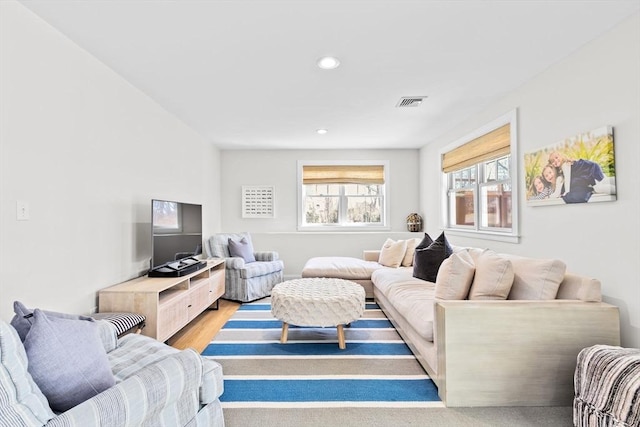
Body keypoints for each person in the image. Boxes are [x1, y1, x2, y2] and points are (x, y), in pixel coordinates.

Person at [548, 151, 615, 202]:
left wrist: (567, 192)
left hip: (590, 170)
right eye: (553, 161)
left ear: (561, 156)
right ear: (552, 165)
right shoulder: (564, 167)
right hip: (591, 168)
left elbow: (567, 179)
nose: (556, 161)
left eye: (556, 158)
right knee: (604, 181)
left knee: (598, 188)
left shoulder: (565, 165)